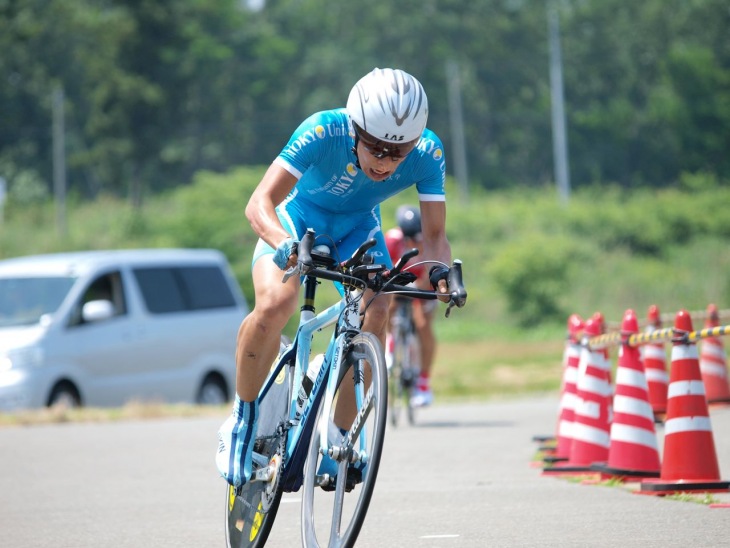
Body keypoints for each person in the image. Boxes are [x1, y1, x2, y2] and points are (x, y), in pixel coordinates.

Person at [216, 67, 454, 488]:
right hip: (297, 219)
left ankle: (339, 439)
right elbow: (260, 202)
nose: (386, 163)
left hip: (358, 227)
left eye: (399, 153)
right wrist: (282, 243)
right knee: (276, 304)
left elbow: (435, 237)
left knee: (376, 309)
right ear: (356, 130)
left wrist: (438, 274)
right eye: (377, 149)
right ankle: (242, 420)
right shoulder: (323, 130)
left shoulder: (429, 152)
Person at [385, 204, 438, 407]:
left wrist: (421, 289)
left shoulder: (426, 241)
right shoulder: (391, 240)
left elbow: (429, 272)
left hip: (421, 284)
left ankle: (423, 382)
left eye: (416, 238)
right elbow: (385, 270)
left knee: (423, 325)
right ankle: (391, 339)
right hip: (398, 283)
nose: (413, 242)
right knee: (387, 305)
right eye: (409, 238)